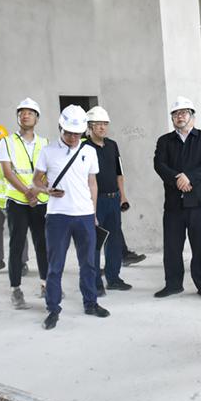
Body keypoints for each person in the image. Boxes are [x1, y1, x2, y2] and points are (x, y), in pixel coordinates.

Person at [33, 105, 110, 330]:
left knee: (89, 263)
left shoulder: (89, 151)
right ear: (60, 128)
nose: (73, 137)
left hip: (84, 215)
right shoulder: (48, 151)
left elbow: (92, 183)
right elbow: (36, 180)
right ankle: (53, 309)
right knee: (55, 266)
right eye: (69, 133)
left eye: (77, 133)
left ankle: (91, 303)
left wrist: (93, 213)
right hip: (58, 216)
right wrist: (46, 190)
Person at [153, 96, 201, 299]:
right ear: (172, 118)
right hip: (174, 204)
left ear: (192, 117)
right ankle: (173, 284)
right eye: (176, 114)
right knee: (172, 247)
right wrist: (177, 179)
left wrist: (189, 177)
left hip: (199, 203)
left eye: (184, 113)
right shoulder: (164, 141)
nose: (180, 116)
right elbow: (159, 164)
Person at [0, 98, 49, 309]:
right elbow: (7, 173)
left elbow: (48, 171)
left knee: (42, 244)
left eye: (30, 113)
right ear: (18, 118)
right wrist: (28, 192)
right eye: (22, 113)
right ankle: (16, 289)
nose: (25, 115)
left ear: (37, 118)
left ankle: (46, 284)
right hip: (18, 201)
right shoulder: (7, 142)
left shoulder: (44, 143)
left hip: (40, 201)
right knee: (17, 245)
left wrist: (37, 192)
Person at [84, 106, 133, 295]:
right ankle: (95, 282)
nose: (102, 127)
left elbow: (119, 173)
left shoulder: (113, 145)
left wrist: (123, 196)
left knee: (114, 241)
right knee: (95, 243)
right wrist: (91, 205)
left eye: (105, 124)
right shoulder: (84, 147)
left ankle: (114, 278)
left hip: (113, 199)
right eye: (98, 124)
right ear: (90, 126)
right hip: (95, 201)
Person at [0, 125, 29, 275]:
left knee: (17, 233)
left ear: (2, 141)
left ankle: (22, 263)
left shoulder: (12, 157)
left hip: (10, 202)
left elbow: (19, 178)